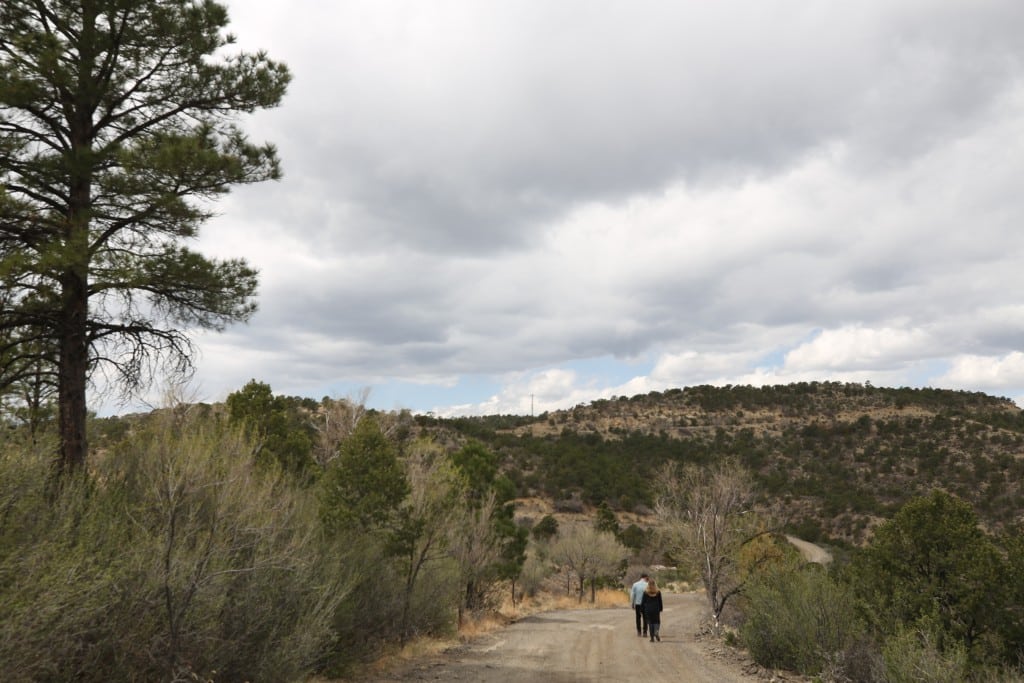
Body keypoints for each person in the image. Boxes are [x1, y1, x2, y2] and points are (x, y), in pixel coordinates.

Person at [629, 572, 649, 636]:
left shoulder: (635, 584)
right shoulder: (648, 584)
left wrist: (632, 603)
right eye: (647, 578)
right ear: (645, 577)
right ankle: (645, 632)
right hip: (646, 604)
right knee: (645, 618)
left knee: (638, 617)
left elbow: (632, 595)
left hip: (638, 603)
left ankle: (639, 631)